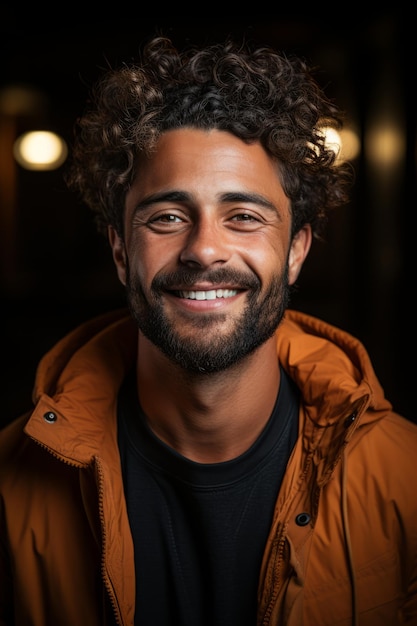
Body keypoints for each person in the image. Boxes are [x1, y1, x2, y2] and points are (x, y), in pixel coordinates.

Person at [0, 33, 416, 626]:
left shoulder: (407, 479)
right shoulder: (12, 486)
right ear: (120, 251)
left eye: (243, 217)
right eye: (168, 216)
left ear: (296, 250)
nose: (204, 250)